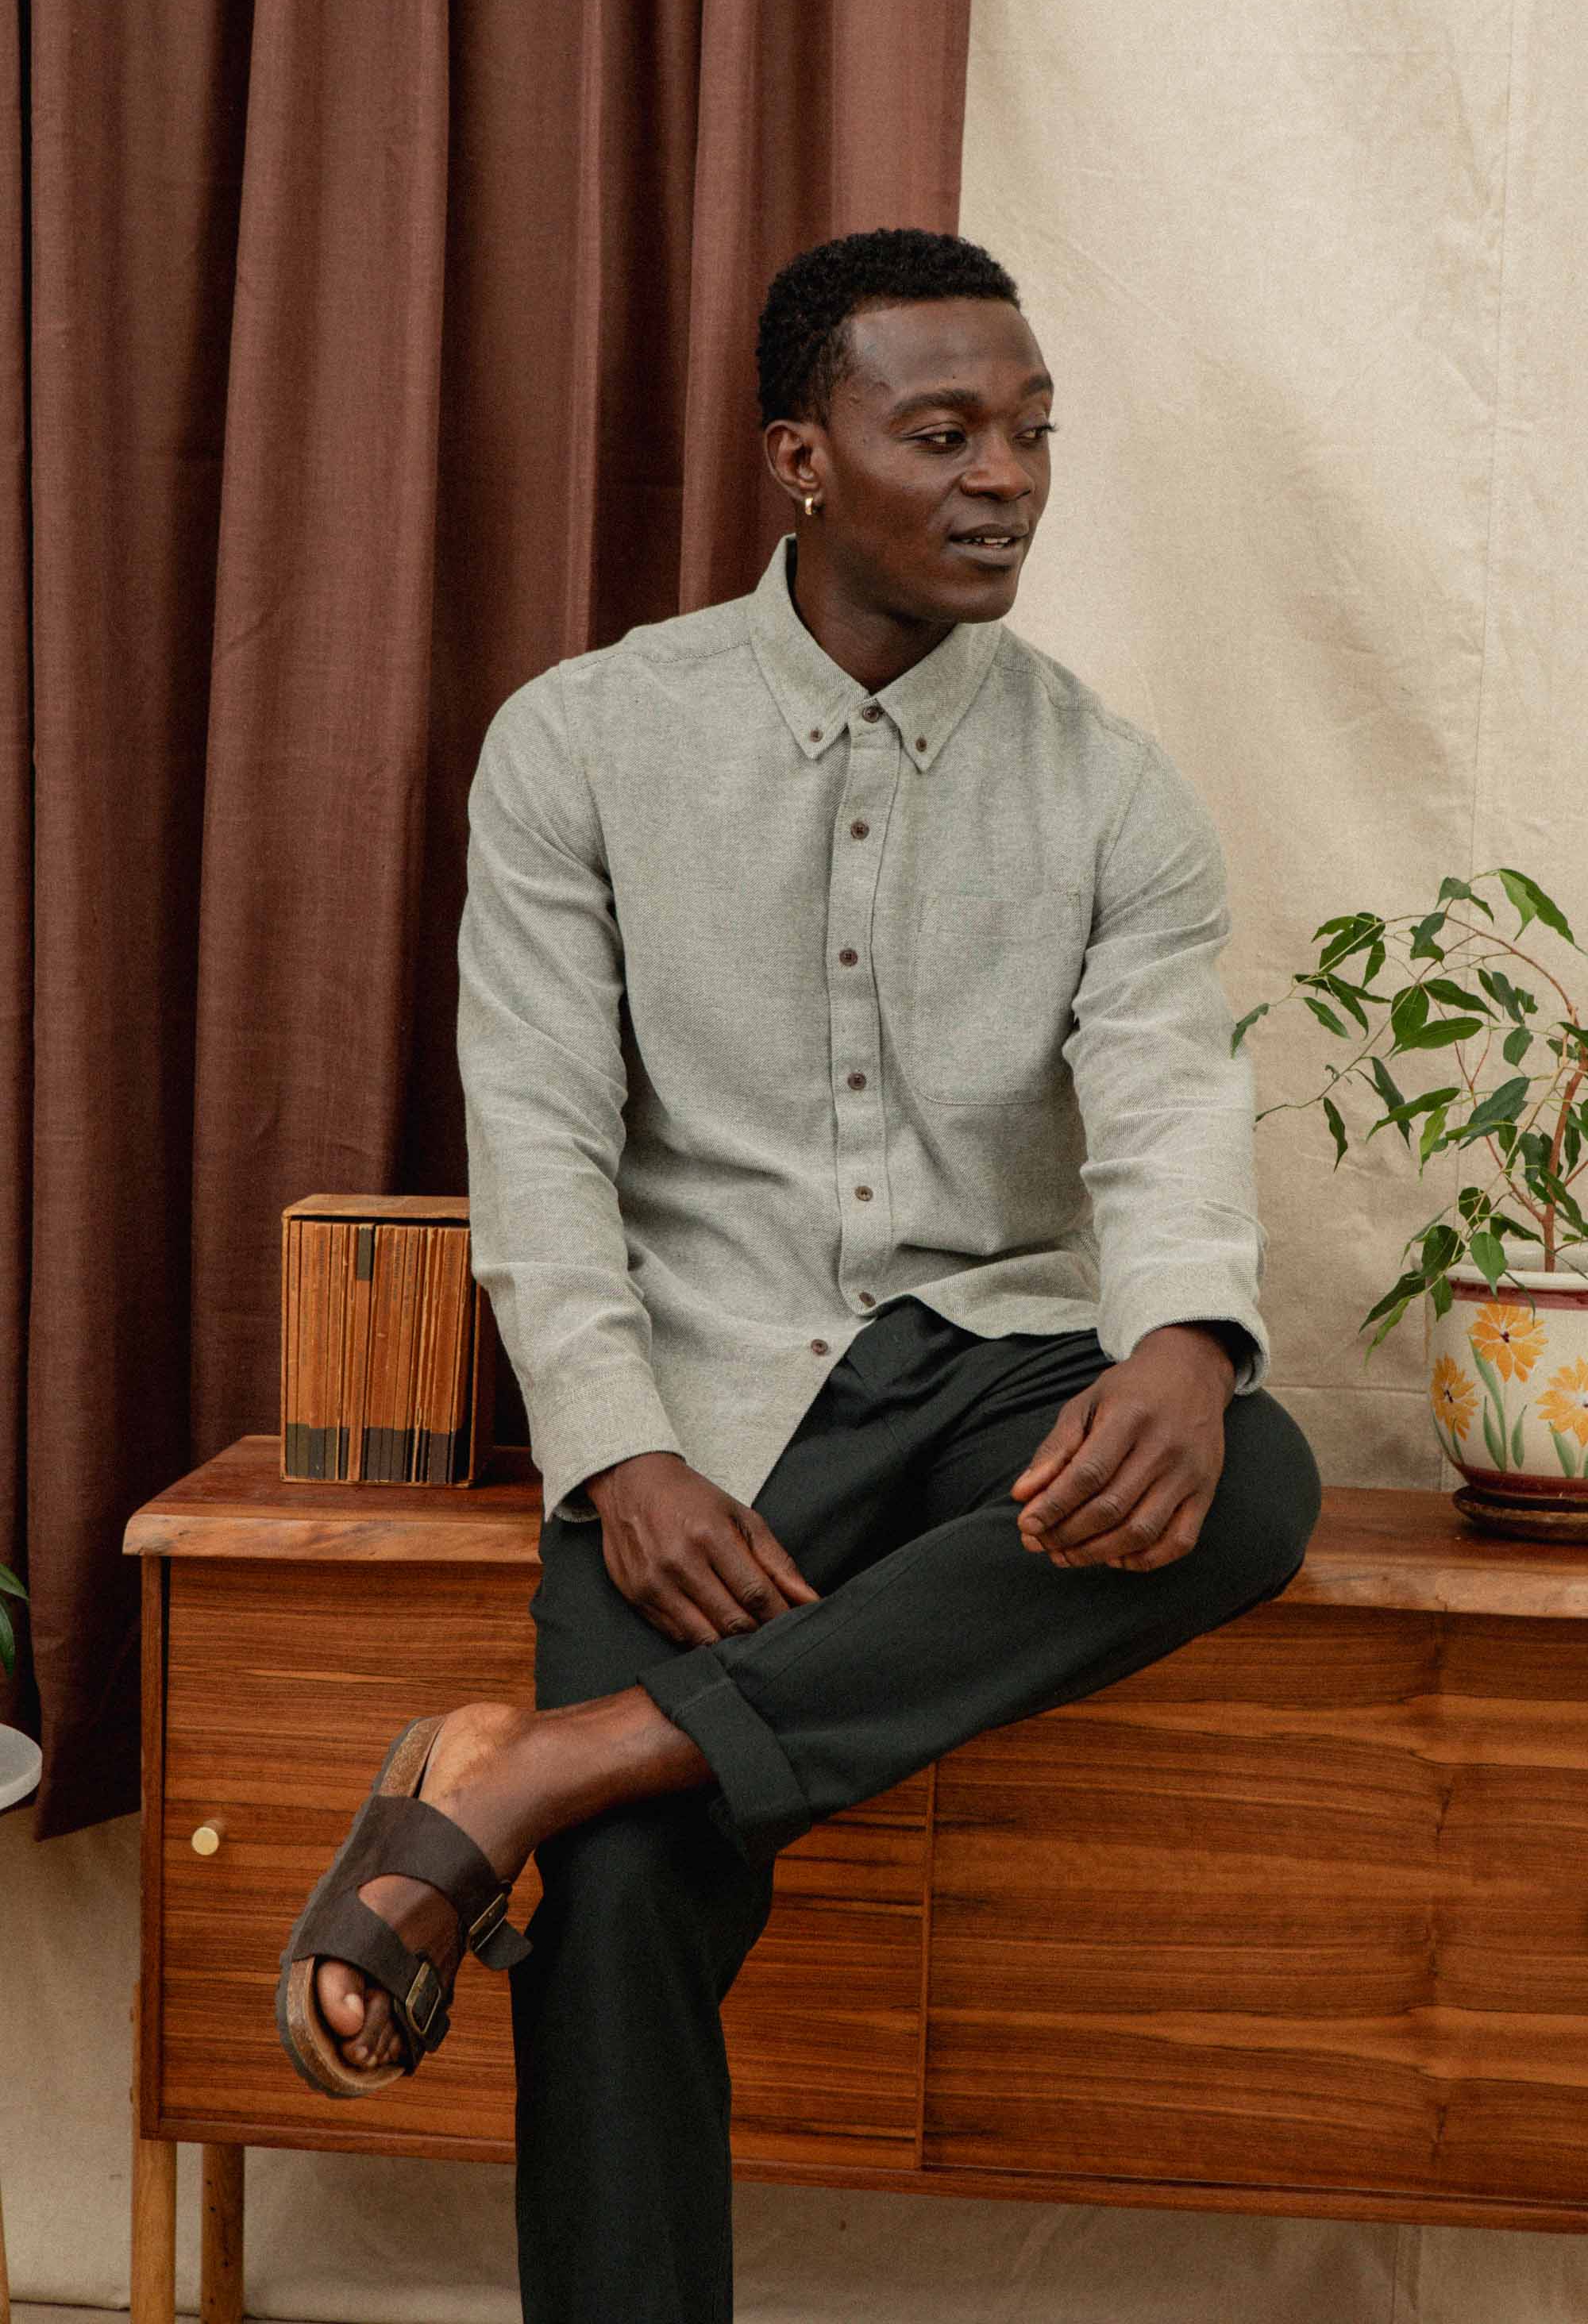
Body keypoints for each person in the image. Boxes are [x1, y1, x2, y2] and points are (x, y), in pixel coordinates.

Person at [278, 226, 1322, 2322]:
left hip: (983, 1365)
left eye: (1029, 434)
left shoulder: (1113, 784)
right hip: (701, 1396)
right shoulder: (575, 745)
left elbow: (1162, 1091)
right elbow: (544, 1135)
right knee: (634, 1898)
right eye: (941, 432)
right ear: (800, 455)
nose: (1003, 476)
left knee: (1262, 1480)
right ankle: (603, 1816)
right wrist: (619, 1449)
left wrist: (1192, 1340)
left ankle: (546, 1764)